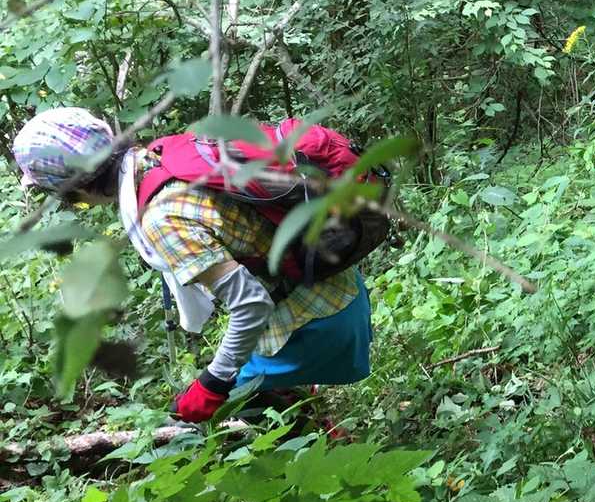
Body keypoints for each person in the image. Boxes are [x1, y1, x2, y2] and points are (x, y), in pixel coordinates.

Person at [10, 107, 372, 422]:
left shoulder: (161, 218)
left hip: (319, 320)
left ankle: (321, 447)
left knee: (229, 407)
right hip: (342, 289)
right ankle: (308, 416)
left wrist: (213, 384)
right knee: (247, 384)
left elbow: (251, 305)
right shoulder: (161, 156)